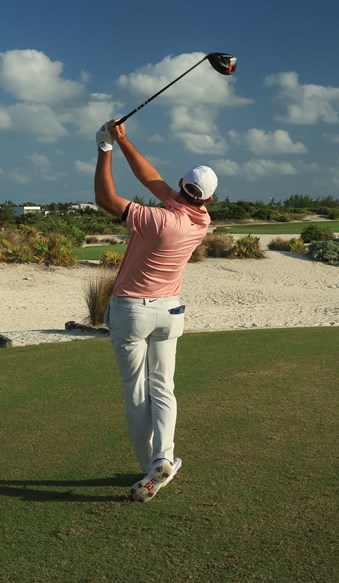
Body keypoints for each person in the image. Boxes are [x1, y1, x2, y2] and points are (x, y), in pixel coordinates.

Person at [93, 119, 215, 502]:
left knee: (136, 391)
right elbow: (152, 181)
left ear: (182, 187)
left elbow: (107, 200)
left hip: (132, 311)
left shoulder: (160, 220)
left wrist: (104, 149)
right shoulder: (200, 220)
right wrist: (125, 140)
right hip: (170, 314)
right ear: (206, 199)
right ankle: (163, 456)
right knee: (164, 387)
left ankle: (151, 462)